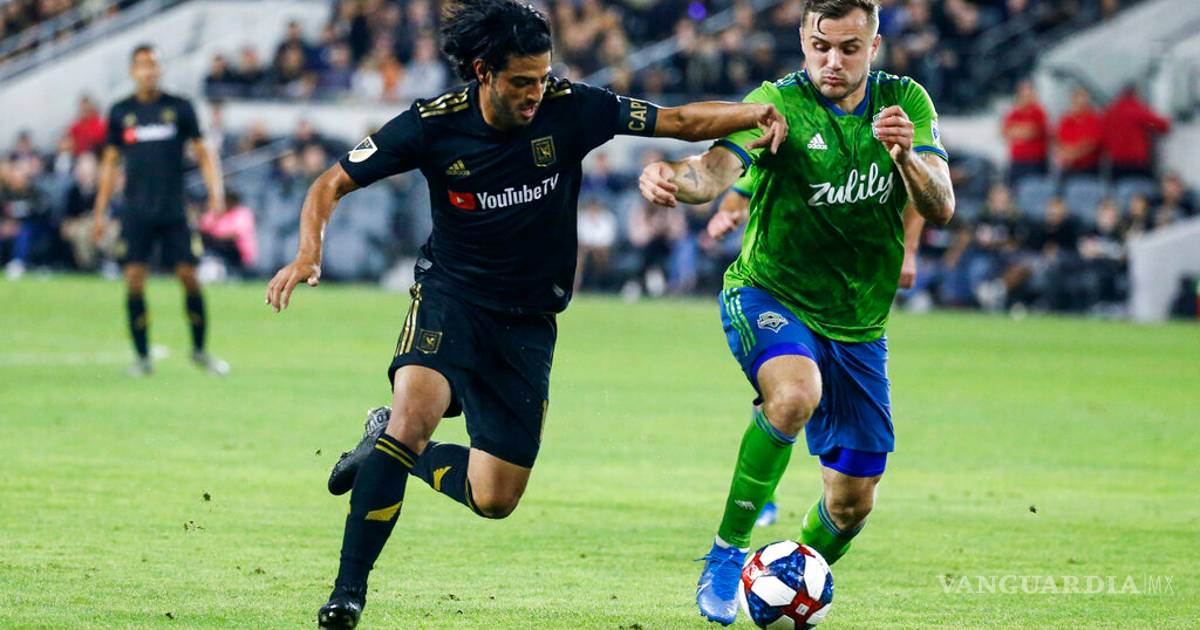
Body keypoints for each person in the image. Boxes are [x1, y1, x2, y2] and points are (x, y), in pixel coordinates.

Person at [261, 1, 788, 627]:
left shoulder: (572, 107)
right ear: (483, 72)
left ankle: (388, 445)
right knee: (414, 417)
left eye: (542, 77)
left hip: (529, 320)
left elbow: (676, 120)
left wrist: (751, 113)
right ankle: (347, 593)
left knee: (495, 497)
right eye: (521, 81)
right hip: (452, 297)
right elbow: (330, 183)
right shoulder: (432, 124)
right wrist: (308, 252)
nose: (536, 92)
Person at [637, 0, 954, 624]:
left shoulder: (905, 103)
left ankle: (784, 580)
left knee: (852, 504)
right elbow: (712, 172)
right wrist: (670, 176)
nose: (832, 61)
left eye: (849, 48)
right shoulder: (777, 103)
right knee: (794, 394)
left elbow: (941, 206)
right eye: (820, 46)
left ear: (874, 45)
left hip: (858, 324)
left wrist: (907, 158)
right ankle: (728, 552)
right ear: (804, 39)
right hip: (768, 292)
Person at [91, 44, 229, 377]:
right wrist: (100, 211)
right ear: (132, 71)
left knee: (189, 277)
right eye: (142, 65)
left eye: (153, 64)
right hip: (136, 211)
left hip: (173, 209)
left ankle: (199, 351)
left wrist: (216, 193)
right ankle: (142, 358)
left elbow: (203, 152)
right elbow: (110, 164)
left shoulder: (179, 108)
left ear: (160, 69)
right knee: (134, 279)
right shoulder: (121, 112)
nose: (148, 71)